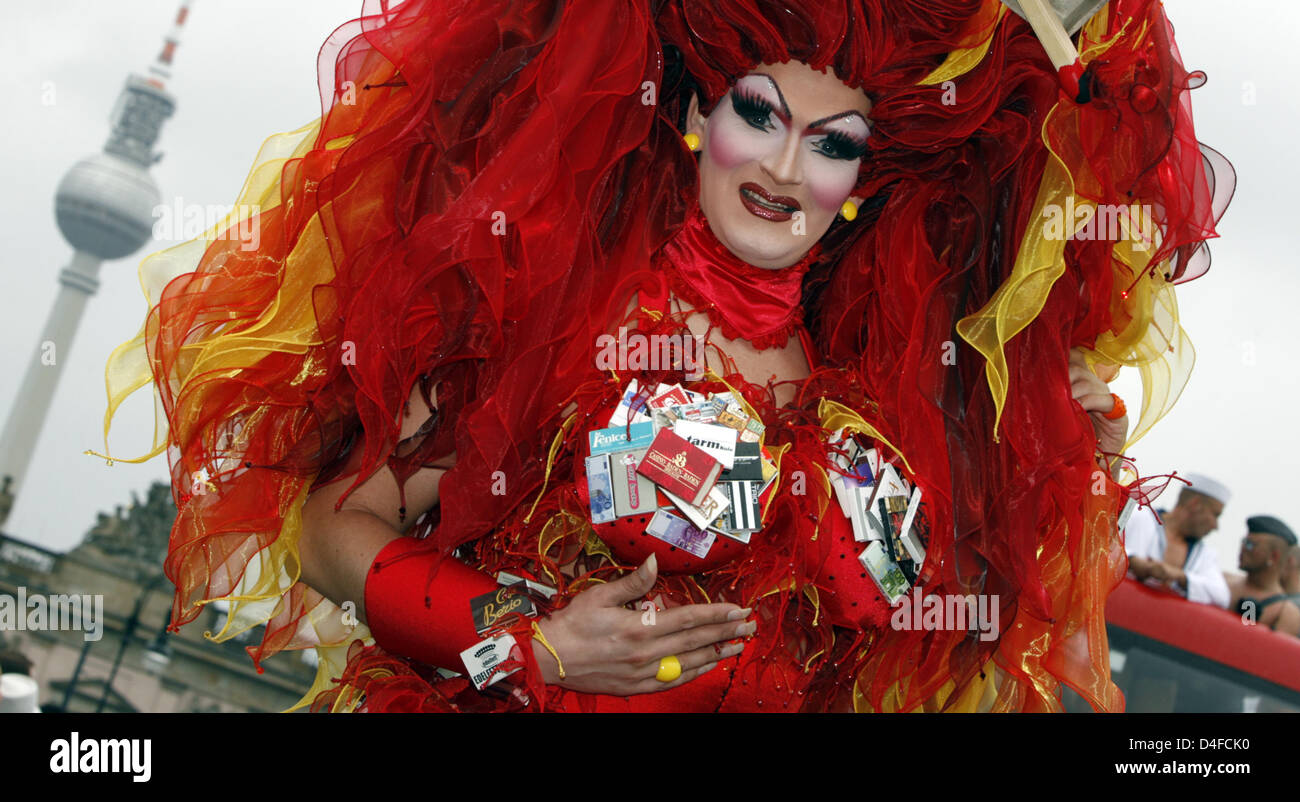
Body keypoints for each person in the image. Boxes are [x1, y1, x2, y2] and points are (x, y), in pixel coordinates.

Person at [100, 0, 1229, 712]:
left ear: (859, 182)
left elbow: (952, 630)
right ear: (695, 116)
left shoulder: (876, 389)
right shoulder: (556, 312)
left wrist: (1057, 452)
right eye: (759, 114)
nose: (783, 168)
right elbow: (330, 526)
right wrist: (524, 643)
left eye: (832, 142)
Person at [1124, 473, 1231, 609]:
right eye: (1215, 515)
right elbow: (1102, 546)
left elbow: (1221, 596)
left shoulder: (1204, 555)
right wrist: (1134, 562)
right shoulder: (1137, 516)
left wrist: (1180, 577)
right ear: (1195, 504)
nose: (1215, 526)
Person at [1227, 516, 1300, 635]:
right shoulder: (1223, 582)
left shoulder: (1284, 613)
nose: (1243, 548)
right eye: (1244, 542)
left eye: (1251, 545)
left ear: (1274, 556)